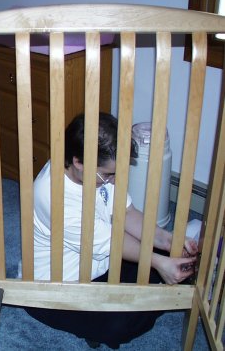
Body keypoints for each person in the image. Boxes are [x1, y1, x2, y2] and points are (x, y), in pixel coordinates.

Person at [25, 113, 198, 349]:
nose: (114, 181)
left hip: (101, 261)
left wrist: (169, 241)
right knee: (117, 327)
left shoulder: (96, 175)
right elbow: (114, 244)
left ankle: (156, 286)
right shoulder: (53, 196)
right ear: (79, 162)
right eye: (108, 174)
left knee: (169, 260)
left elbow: (127, 214)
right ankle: (158, 296)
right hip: (58, 286)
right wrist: (158, 262)